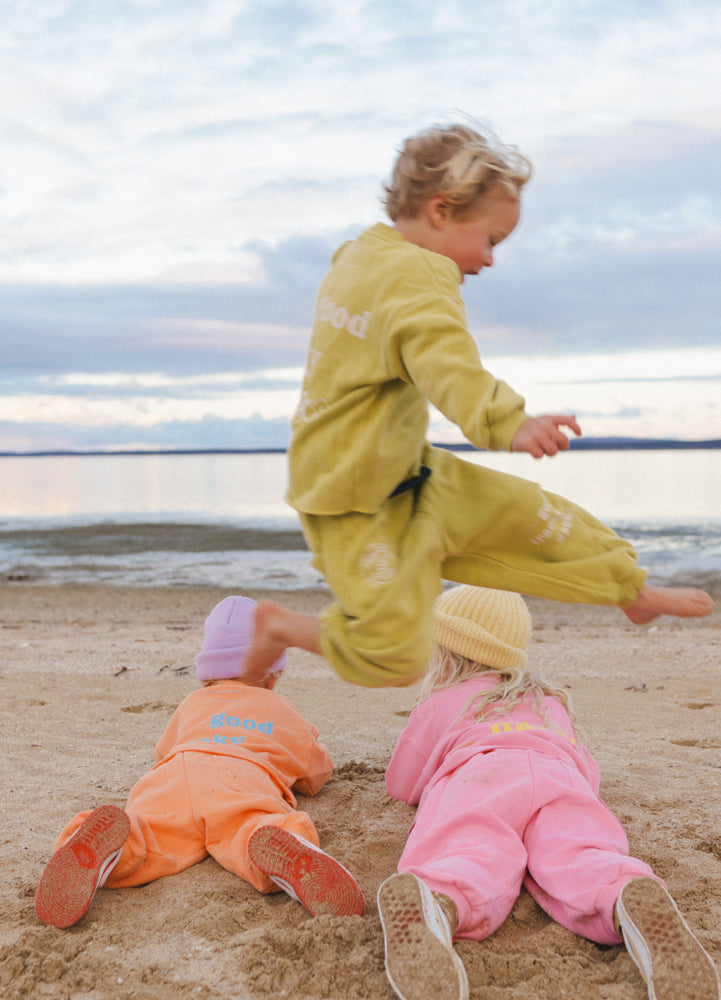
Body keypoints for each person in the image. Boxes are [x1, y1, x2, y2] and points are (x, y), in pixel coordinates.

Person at [241, 121, 713, 690]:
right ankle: (279, 627)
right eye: (490, 239)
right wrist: (509, 422)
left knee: (528, 510)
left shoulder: (360, 255)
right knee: (394, 654)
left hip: (409, 471)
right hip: (354, 501)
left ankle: (630, 592)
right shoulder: (419, 277)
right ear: (440, 211)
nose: (489, 260)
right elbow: (446, 362)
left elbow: (412, 353)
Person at [376, 584, 721, 1000]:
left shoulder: (443, 701)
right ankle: (623, 891)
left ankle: (440, 900)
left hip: (482, 774)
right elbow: (587, 772)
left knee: (470, 846)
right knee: (579, 849)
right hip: (557, 773)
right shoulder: (547, 701)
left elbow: (400, 784)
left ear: (448, 654)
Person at [34, 596, 365, 929]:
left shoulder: (193, 702)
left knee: (147, 832)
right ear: (274, 673)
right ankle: (287, 846)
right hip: (241, 776)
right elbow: (316, 771)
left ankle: (108, 844)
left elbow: (162, 754)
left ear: (207, 674)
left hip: (175, 773)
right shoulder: (281, 709)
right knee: (251, 830)